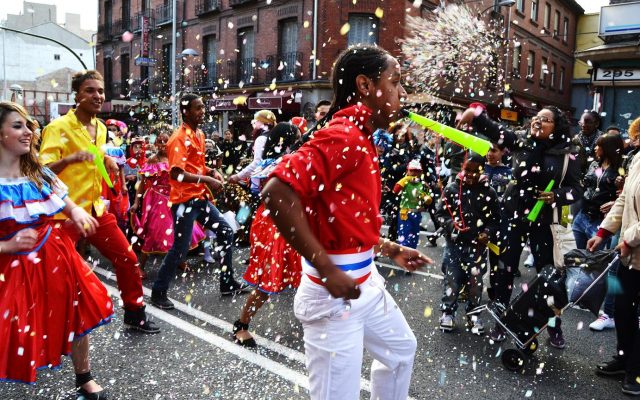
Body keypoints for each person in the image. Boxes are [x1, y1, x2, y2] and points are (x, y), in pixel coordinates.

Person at [261, 45, 432, 400]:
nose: (403, 93)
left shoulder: (362, 135)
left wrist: (386, 247)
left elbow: (344, 215)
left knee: (401, 351)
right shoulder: (345, 135)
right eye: (396, 82)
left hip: (366, 283)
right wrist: (327, 270)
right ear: (365, 85)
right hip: (332, 297)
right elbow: (276, 192)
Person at [0, 102, 112, 399]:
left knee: (78, 310)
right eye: (17, 126)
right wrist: (7, 245)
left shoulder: (35, 170)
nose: (27, 132)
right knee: (10, 329)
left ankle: (84, 377)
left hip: (54, 252)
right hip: (10, 266)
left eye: (28, 126)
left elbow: (62, 199)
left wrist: (75, 212)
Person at [39, 70, 158, 334]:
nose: (97, 95)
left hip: (96, 210)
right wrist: (69, 160)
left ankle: (135, 313)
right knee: (55, 273)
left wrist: (107, 161)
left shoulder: (102, 128)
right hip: (64, 214)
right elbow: (42, 172)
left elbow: (97, 155)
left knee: (127, 257)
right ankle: (46, 325)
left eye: (100, 91)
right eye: (90, 90)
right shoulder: (57, 128)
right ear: (77, 95)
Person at [457, 103, 583, 348]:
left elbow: (577, 189)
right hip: (512, 213)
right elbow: (498, 133)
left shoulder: (567, 152)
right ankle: (501, 322)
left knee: (547, 275)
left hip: (543, 219)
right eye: (536, 118)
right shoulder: (522, 141)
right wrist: (477, 118)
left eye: (545, 119)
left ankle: (552, 326)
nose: (538, 121)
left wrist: (557, 196)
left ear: (556, 127)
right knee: (504, 270)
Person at [150, 93, 249, 310]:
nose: (202, 111)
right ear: (186, 111)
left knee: (225, 231)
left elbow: (196, 167)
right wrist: (206, 179)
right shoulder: (178, 138)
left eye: (203, 107)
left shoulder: (199, 134)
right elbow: (176, 174)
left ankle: (227, 282)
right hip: (184, 202)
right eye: (197, 108)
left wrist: (212, 171)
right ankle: (158, 292)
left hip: (199, 199)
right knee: (180, 248)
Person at [232, 122, 301, 347]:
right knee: (267, 279)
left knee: (307, 273)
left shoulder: (281, 161)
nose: (301, 142)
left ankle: (318, 320)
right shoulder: (279, 163)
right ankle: (241, 325)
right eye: (297, 139)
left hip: (285, 220)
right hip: (273, 224)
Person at [589, 134, 640, 396]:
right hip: (631, 257)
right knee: (622, 310)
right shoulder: (638, 159)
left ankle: (636, 371)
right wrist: (603, 232)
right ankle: (624, 359)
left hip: (633, 248)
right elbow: (623, 201)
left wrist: (629, 239)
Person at [436, 153, 500, 334]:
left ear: (483, 170)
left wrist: (487, 232)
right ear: (462, 169)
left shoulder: (489, 192)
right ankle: (447, 312)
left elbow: (496, 218)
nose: (470, 174)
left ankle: (474, 314)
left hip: (478, 247)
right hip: (454, 246)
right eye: (467, 170)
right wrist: (452, 225)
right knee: (452, 281)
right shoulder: (451, 189)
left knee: (475, 283)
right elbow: (441, 214)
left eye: (475, 171)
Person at [130, 132, 206, 277]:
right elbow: (142, 184)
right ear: (155, 144)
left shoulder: (174, 158)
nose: (163, 145)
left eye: (166, 142)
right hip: (155, 200)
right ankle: (141, 265)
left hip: (174, 198)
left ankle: (179, 260)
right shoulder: (152, 160)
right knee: (154, 232)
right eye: (160, 142)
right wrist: (136, 202)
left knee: (180, 231)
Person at [393, 159, 432, 249]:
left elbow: (429, 198)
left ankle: (412, 254)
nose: (414, 173)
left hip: (417, 213)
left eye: (417, 171)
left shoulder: (423, 184)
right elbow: (395, 190)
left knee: (414, 235)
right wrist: (405, 179)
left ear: (421, 172)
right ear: (407, 171)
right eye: (412, 170)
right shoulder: (405, 181)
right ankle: (404, 255)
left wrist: (426, 199)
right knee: (405, 235)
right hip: (405, 213)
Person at [576, 110, 603, 174]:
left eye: (587, 122)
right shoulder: (575, 140)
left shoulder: (603, 140)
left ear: (596, 124)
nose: (583, 125)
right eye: (581, 122)